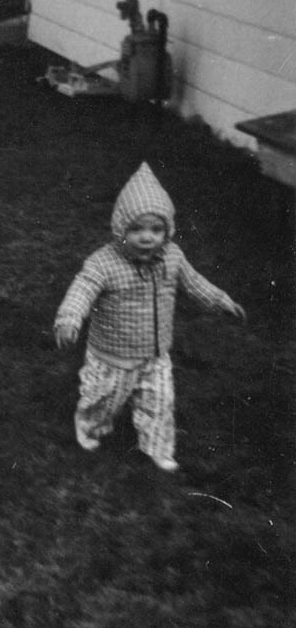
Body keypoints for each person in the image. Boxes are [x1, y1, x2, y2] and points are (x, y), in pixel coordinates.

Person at [53, 162, 246, 472]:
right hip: (112, 355)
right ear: (121, 229)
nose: (147, 238)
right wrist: (70, 318)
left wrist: (219, 300)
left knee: (159, 402)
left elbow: (194, 282)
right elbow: (82, 289)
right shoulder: (104, 263)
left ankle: (157, 446)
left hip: (155, 354)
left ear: (167, 231)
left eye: (156, 230)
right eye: (137, 229)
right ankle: (90, 427)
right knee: (102, 399)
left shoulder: (172, 257)